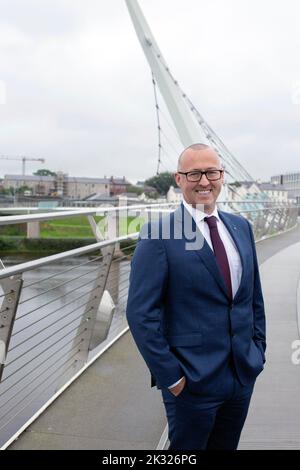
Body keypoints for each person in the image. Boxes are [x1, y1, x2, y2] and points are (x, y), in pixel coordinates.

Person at [126, 143, 266, 450]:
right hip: (191, 381)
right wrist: (171, 378)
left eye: (211, 172)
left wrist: (258, 350)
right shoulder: (158, 236)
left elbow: (253, 296)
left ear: (222, 175)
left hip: (241, 374)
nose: (204, 181)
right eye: (194, 174)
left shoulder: (240, 227)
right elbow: (140, 314)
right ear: (179, 179)